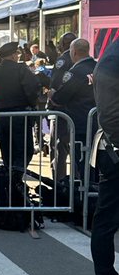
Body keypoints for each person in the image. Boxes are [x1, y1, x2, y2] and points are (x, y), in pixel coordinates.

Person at [90, 36, 119, 275]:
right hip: (115, 152)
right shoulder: (112, 61)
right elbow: (110, 115)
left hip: (113, 149)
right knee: (107, 220)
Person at [0, 41, 40, 181]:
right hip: (20, 116)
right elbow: (33, 90)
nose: (18, 56)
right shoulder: (21, 70)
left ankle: (9, 181)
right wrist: (33, 105)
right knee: (24, 151)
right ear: (12, 56)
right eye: (16, 54)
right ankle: (15, 180)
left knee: (7, 153)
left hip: (1, 117)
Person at [49, 38, 97, 179]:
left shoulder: (75, 73)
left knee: (81, 162)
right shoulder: (98, 67)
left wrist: (52, 95)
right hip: (99, 123)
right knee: (96, 162)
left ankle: (83, 190)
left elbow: (60, 98)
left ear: (74, 52)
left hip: (80, 124)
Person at [48, 31, 77, 180]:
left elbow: (54, 85)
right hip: (78, 112)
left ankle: (59, 182)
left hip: (61, 110)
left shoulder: (63, 60)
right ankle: (78, 181)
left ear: (63, 44)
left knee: (58, 148)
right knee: (78, 148)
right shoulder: (85, 60)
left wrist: (52, 100)